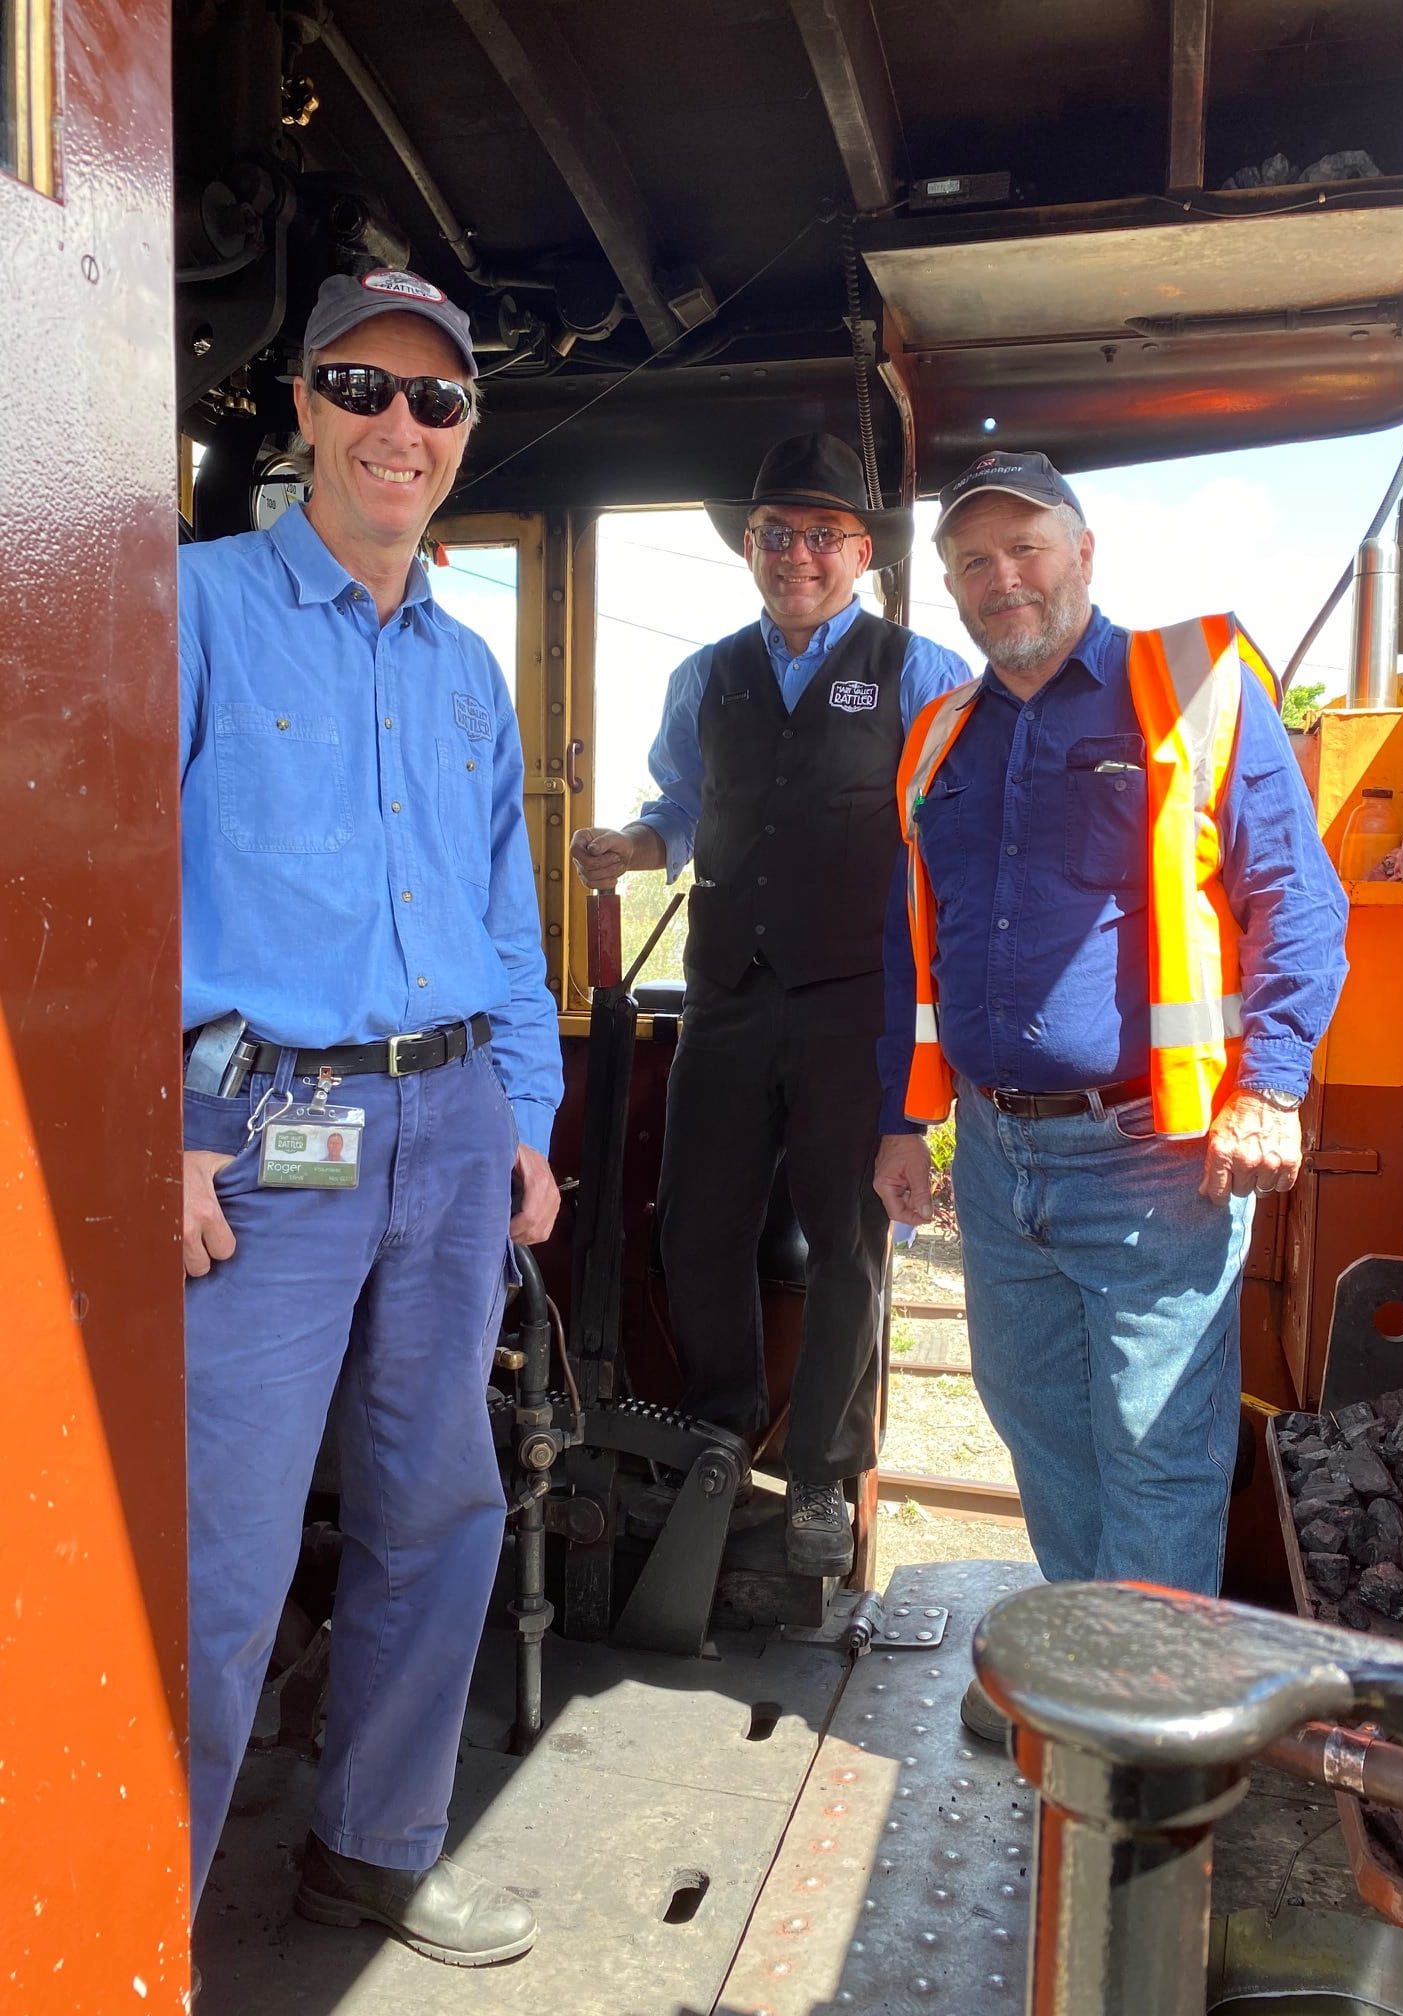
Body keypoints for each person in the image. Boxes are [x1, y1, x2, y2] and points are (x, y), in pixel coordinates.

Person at [179, 268, 562, 1965]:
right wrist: (157, 1113)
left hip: (449, 1129)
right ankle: (130, 1927)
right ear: (302, 409)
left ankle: (372, 1848)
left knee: (440, 1509)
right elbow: (79, 889)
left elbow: (508, 918)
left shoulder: (470, 670)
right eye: (362, 385)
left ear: (463, 433)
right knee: (217, 1562)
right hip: (255, 1140)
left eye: (436, 400)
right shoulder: (186, 608)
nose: (399, 425)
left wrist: (526, 1115)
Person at [871, 449, 1348, 1735]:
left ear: (1085, 554)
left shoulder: (1194, 685)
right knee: (1037, 1426)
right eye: (973, 559)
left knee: (1154, 1449)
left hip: (1151, 1159)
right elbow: (919, 940)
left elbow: (1296, 899)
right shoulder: (940, 737)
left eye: (1026, 546)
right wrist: (901, 1119)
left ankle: (1142, 1737)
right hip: (995, 1154)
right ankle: (1086, 1675)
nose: (1000, 576)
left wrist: (1273, 1084)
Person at [570, 435, 970, 1573]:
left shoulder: (923, 672)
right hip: (728, 997)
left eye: (824, 537)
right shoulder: (704, 677)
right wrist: (635, 842)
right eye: (777, 534)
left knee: (849, 1242)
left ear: (861, 553)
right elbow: (682, 808)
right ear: (751, 548)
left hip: (861, 1002)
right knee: (696, 1223)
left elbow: (956, 834)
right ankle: (719, 1424)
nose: (799, 556)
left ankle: (821, 1484)